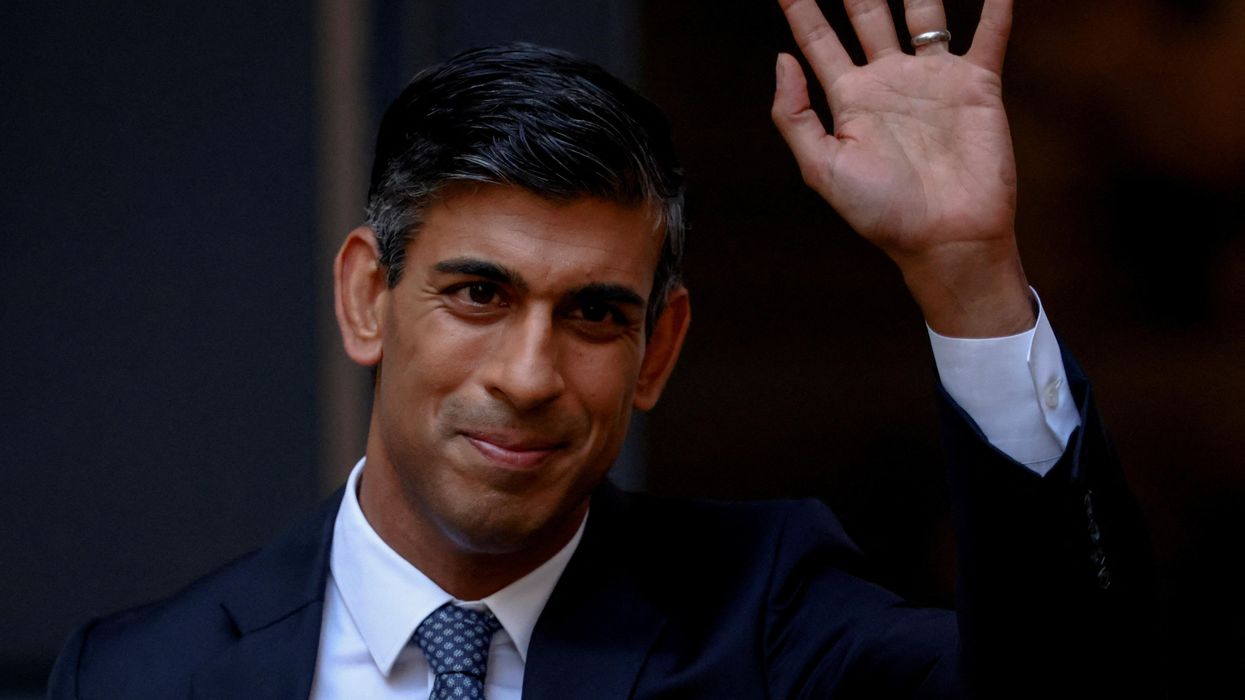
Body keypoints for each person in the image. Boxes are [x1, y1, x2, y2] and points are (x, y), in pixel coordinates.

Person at [47, 0, 1155, 697]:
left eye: (593, 315)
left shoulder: (768, 619)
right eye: (479, 293)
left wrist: (969, 277)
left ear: (659, 346)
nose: (529, 377)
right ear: (367, 298)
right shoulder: (140, 673)